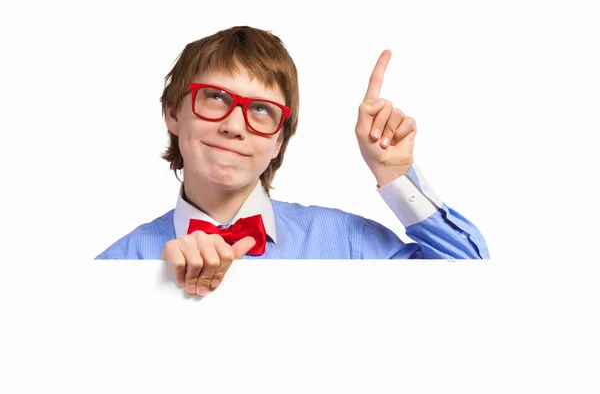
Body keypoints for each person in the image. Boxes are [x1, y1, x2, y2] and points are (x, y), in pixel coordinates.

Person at [96, 26, 489, 297]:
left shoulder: (349, 245)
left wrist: (395, 175)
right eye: (215, 97)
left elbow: (478, 292)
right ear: (173, 113)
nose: (235, 126)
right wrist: (150, 290)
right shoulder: (119, 262)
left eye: (262, 110)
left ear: (279, 140)